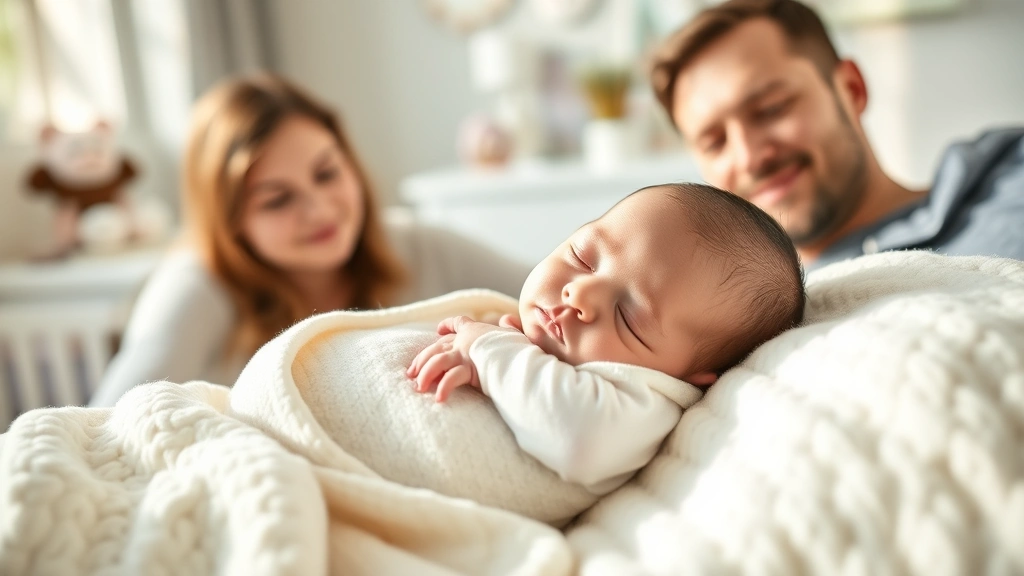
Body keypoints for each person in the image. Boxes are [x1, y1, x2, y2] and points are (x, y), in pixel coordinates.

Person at [88, 74, 531, 407]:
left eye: (327, 174)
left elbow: (552, 301)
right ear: (231, 220)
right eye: (278, 200)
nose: (320, 210)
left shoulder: (418, 244)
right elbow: (104, 423)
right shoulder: (194, 287)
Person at [406, 182, 804, 492]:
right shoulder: (521, 326)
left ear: (689, 378)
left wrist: (486, 348)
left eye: (628, 318)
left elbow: (578, 439)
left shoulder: (643, 404)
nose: (578, 294)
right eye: (582, 256)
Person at [648, 0, 1024, 272]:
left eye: (771, 109)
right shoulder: (719, 328)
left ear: (851, 89)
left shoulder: (1008, 181)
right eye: (715, 142)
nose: (748, 157)